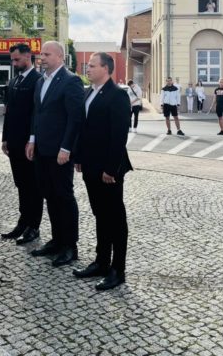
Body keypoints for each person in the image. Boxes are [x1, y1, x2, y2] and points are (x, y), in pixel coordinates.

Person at [72, 52, 132, 291]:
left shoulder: (118, 95)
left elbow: (119, 135)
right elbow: (83, 129)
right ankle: (101, 261)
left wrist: (111, 168)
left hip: (110, 167)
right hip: (90, 165)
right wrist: (79, 157)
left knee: (115, 219)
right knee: (100, 215)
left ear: (106, 69)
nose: (88, 69)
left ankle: (118, 269)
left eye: (92, 66)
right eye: (88, 65)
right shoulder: (88, 92)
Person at [26, 41, 85, 267]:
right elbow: (36, 113)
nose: (42, 57)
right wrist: (32, 139)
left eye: (47, 54)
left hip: (60, 151)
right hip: (41, 149)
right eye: (41, 54)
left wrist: (67, 148)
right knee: (49, 194)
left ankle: (70, 246)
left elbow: (75, 118)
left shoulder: (71, 81)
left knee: (63, 196)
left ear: (60, 57)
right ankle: (57, 240)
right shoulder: (41, 81)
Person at [0, 43, 43, 245]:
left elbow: (37, 114)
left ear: (28, 57)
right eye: (12, 60)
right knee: (21, 184)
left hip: (29, 144)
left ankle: (33, 226)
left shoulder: (38, 81)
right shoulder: (14, 80)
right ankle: (22, 222)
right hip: (14, 144)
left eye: (17, 59)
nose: (14, 63)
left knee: (33, 186)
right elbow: (8, 113)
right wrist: (4, 138)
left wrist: (32, 139)